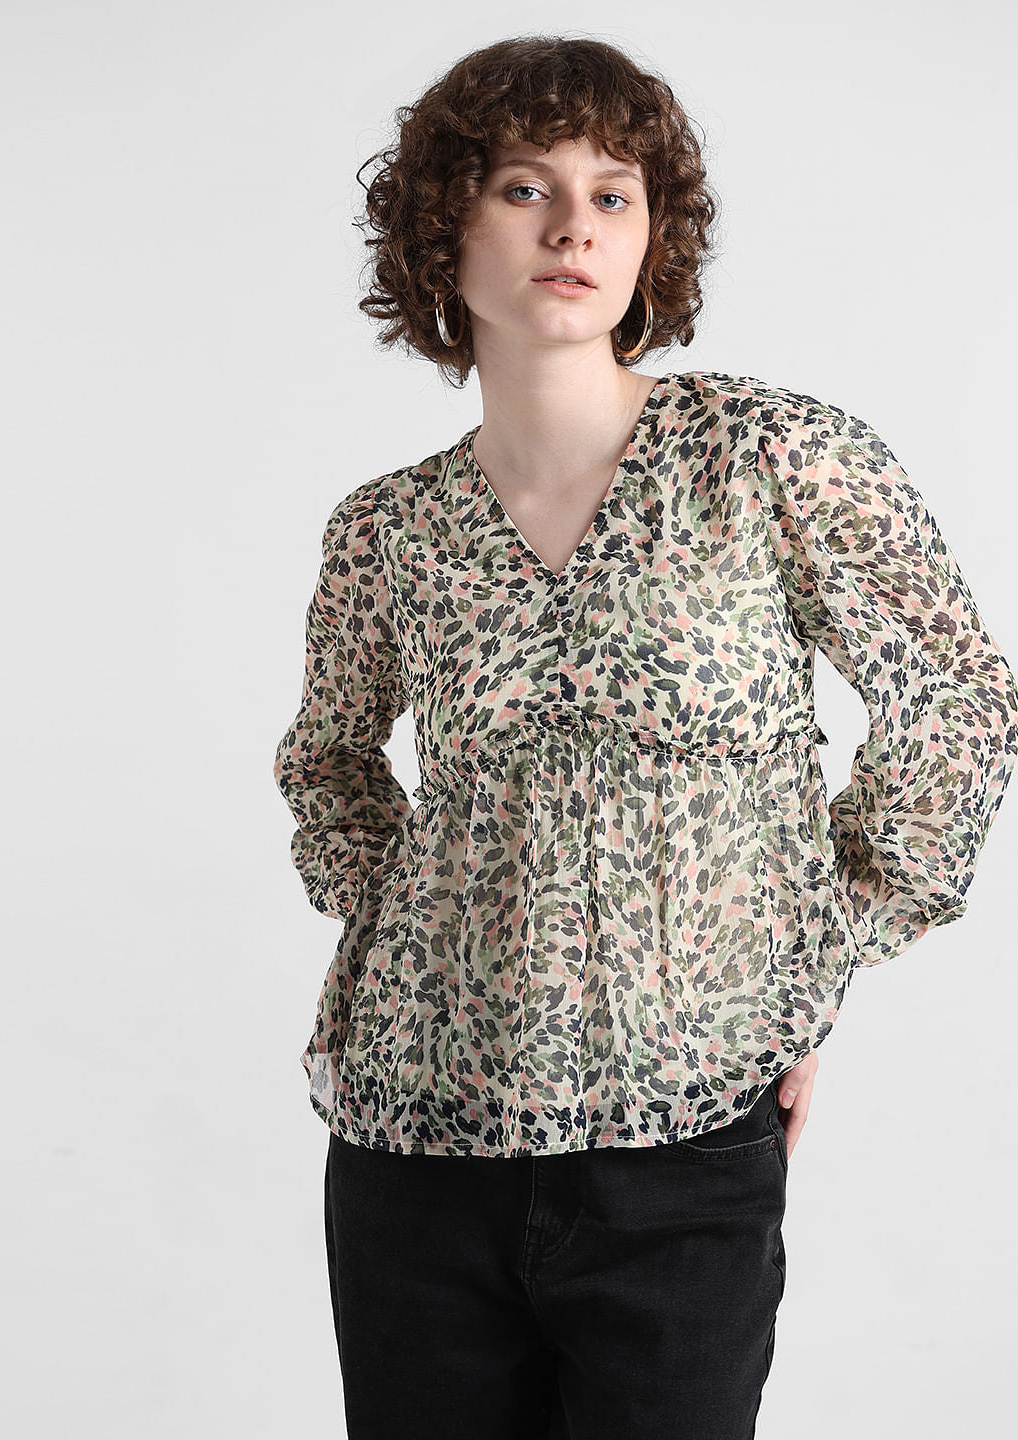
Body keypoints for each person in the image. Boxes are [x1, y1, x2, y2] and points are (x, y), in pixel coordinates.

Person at [272, 34, 1018, 1440]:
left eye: (613, 195)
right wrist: (410, 926)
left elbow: (957, 698)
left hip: (683, 1155)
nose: (573, 227)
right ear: (443, 228)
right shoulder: (385, 531)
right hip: (413, 1151)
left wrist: (812, 949)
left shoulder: (769, 458)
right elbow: (329, 761)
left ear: (652, 237)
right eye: (524, 187)